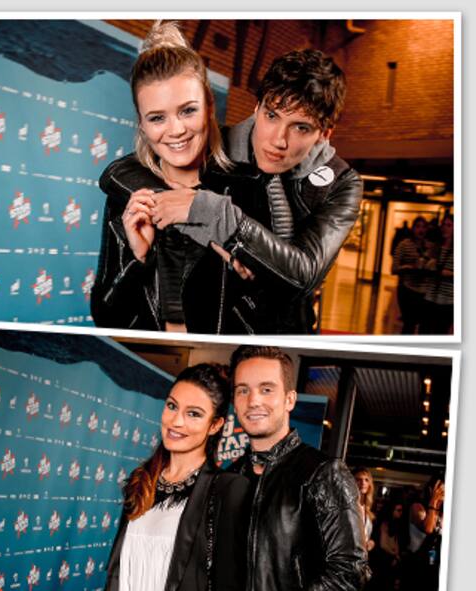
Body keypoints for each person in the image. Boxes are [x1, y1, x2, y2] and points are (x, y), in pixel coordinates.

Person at [148, 49, 363, 334]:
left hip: (281, 335)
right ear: (256, 108)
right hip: (207, 327)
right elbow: (122, 171)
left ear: (324, 134)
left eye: (300, 127)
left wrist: (216, 216)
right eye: (271, 116)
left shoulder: (341, 182)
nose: (278, 140)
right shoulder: (214, 147)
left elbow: (304, 273)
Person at [92, 21, 242, 333]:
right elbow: (106, 317)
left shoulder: (241, 188)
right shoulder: (128, 197)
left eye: (188, 111)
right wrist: (138, 258)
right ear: (142, 124)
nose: (175, 130)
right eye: (157, 118)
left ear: (209, 106)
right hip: (155, 355)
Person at [228, 345, 369, 590]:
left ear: (290, 399)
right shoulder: (229, 477)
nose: (253, 401)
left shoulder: (325, 473)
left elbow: (351, 572)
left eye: (266, 389)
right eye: (243, 390)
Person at [104, 363, 249, 591]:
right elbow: (118, 570)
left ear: (215, 425)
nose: (176, 421)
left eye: (193, 414)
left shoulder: (227, 489)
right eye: (172, 406)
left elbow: (228, 582)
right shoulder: (141, 479)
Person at [391, 216, 436, 334]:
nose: (421, 230)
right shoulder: (404, 245)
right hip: (408, 290)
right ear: (413, 228)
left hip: (424, 292)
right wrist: (408, 267)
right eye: (418, 227)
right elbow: (394, 269)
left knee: (424, 326)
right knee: (409, 324)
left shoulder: (430, 246)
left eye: (424, 227)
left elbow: (434, 267)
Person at [421, 214, 453, 334]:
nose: (445, 228)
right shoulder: (435, 247)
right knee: (424, 332)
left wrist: (451, 274)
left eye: (449, 225)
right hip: (430, 297)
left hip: (448, 300)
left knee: (440, 333)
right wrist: (426, 264)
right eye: (443, 225)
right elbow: (423, 264)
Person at [352, 466, 376, 552]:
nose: (363, 483)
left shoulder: (367, 508)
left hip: (362, 555)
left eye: (366, 480)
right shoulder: (348, 507)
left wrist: (371, 543)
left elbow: (367, 535)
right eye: (358, 479)